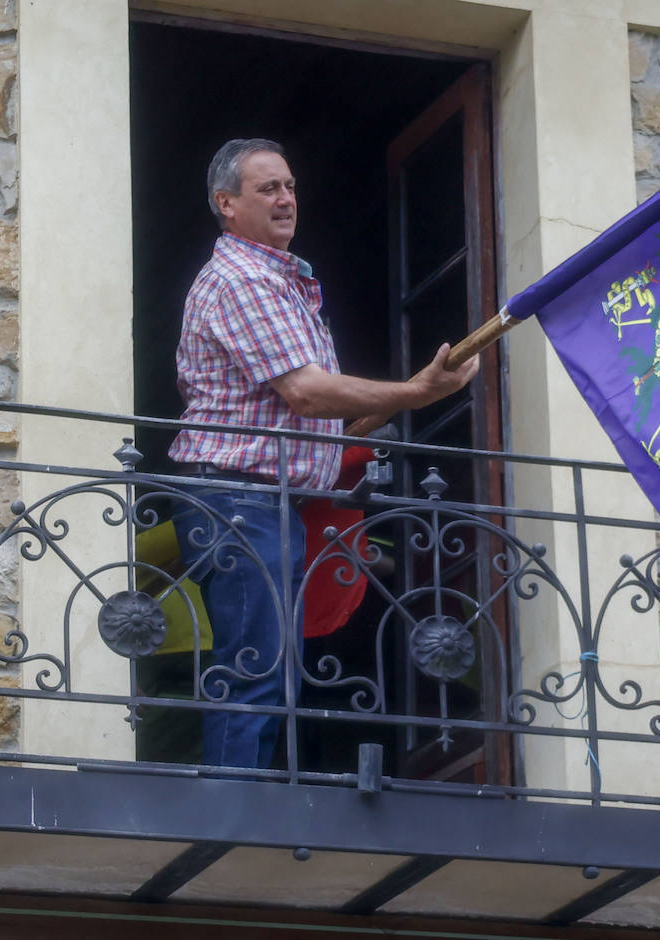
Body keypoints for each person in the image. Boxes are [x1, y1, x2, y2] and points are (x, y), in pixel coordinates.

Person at [168, 138, 479, 769]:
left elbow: (328, 422)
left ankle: (242, 803)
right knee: (255, 666)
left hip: (260, 501)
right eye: (267, 189)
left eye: (289, 187)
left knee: (269, 667)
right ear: (227, 204)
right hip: (238, 498)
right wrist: (418, 389)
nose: (286, 199)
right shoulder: (243, 279)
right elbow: (308, 394)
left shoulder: (283, 282)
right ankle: (230, 811)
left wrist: (410, 392)